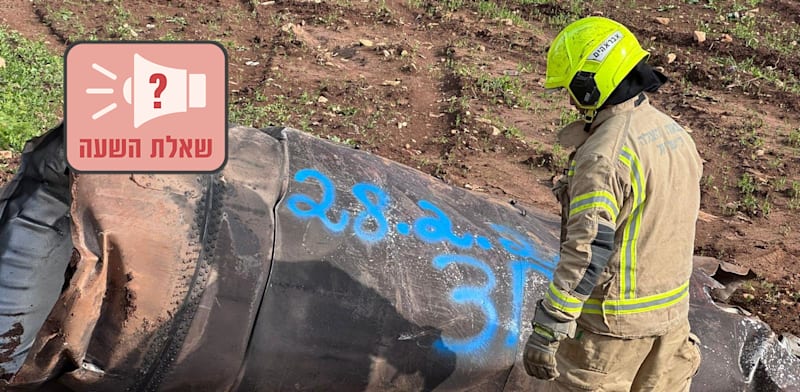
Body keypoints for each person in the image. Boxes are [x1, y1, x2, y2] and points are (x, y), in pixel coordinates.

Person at [523, 16, 704, 391]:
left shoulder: (605, 156)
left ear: (590, 85)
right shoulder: (674, 133)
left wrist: (552, 322)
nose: (569, 99)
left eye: (570, 88)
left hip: (610, 340)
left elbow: (588, 249)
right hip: (671, 327)